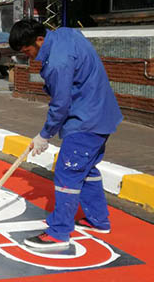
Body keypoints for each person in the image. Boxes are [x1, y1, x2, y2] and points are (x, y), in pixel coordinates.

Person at [9, 19, 122, 249]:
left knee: (67, 172)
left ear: (39, 40)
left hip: (86, 120)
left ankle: (59, 232)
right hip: (101, 113)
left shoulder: (57, 63)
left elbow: (60, 104)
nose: (29, 57)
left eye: (28, 51)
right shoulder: (65, 34)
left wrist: (44, 135)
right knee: (86, 169)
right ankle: (98, 220)